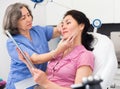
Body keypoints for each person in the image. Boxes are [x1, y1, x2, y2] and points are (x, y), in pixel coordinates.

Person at [18, 10, 95, 89]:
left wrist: (46, 83)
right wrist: (27, 62)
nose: (63, 27)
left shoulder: (85, 55)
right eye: (62, 24)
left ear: (81, 26)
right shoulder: (59, 53)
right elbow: (42, 79)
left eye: (68, 23)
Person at [3, 2, 71, 89]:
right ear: (14, 22)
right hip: (20, 83)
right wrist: (58, 50)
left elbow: (57, 31)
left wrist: (62, 25)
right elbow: (35, 59)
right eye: (23, 18)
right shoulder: (12, 42)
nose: (29, 19)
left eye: (28, 15)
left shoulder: (38, 30)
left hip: (39, 81)